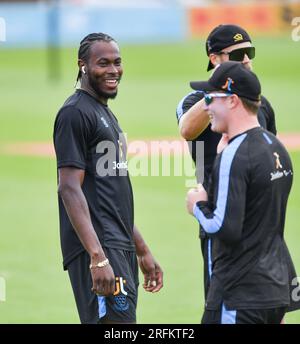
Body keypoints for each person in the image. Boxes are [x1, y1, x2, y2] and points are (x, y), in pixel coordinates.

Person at [53, 33, 163, 324]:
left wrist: (141, 249)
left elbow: (110, 195)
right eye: (103, 63)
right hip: (100, 247)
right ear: (83, 66)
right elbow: (68, 188)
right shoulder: (74, 113)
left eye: (117, 62)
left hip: (117, 245)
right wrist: (97, 256)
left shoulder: (104, 113)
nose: (113, 70)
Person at [186, 61, 294, 324]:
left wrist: (197, 206)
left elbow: (224, 226)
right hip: (275, 290)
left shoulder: (235, 153)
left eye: (211, 98)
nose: (207, 106)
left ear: (233, 101)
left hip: (239, 294)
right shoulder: (276, 147)